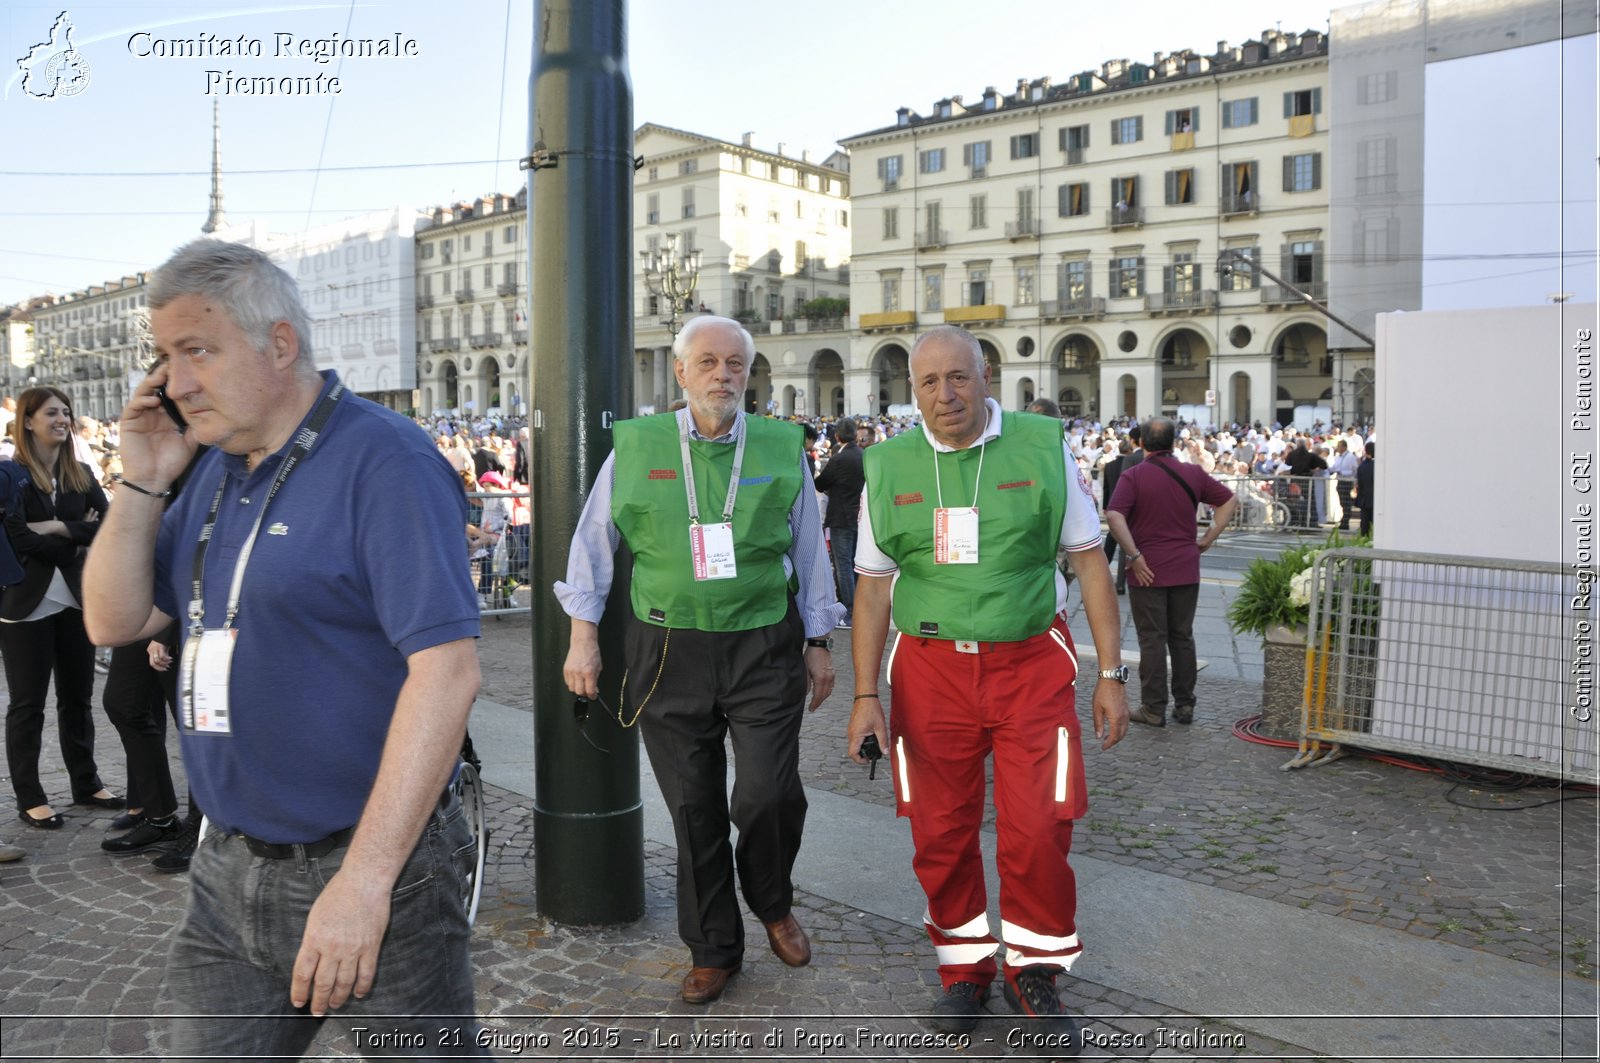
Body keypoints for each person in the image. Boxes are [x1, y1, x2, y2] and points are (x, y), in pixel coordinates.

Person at [82, 239, 486, 1057]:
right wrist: (143, 479)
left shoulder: (386, 460)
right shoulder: (204, 467)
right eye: (165, 356)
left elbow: (447, 672)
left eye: (197, 350)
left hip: (377, 867)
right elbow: (114, 621)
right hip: (227, 862)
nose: (176, 381)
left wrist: (365, 883)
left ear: (279, 343)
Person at [847, 325, 1130, 1046]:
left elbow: (1090, 562)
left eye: (959, 377)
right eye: (929, 382)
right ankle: (964, 968)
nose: (946, 395)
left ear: (987, 375)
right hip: (929, 671)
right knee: (940, 832)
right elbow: (874, 590)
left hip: (1030, 665)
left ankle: (1033, 971)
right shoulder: (885, 465)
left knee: (1039, 830)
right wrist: (864, 697)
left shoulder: (1041, 445)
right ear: (911, 391)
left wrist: (1111, 672)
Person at [556, 314, 841, 1005]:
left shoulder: (781, 445)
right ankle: (714, 946)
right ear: (680, 372)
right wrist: (582, 636)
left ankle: (770, 898)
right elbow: (593, 543)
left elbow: (808, 548)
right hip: (666, 648)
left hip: (762, 643)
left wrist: (818, 640)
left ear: (750, 373)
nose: (723, 375)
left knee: (768, 792)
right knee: (693, 808)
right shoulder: (635, 446)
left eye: (736, 364)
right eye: (708, 362)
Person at [3, 387, 120, 830]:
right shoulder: (9, 475)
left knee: (78, 698)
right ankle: (30, 797)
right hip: (25, 604)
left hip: (75, 598)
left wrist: (54, 526)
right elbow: (14, 536)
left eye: (67, 412)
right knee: (27, 704)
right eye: (52, 412)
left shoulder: (80, 473)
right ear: (28, 421)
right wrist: (74, 538)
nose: (62, 418)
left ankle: (86, 783)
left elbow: (106, 524)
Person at [1106, 416, 1238, 727]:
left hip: (1147, 569)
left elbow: (1114, 515)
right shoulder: (1191, 472)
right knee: (1183, 638)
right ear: (1173, 442)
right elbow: (1229, 500)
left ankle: (1153, 709)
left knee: (1152, 639)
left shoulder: (1134, 475)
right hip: (1185, 566)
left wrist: (1134, 555)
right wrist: (1208, 537)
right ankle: (1185, 704)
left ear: (1142, 443)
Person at [813, 416, 864, 629]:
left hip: (840, 516)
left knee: (843, 565)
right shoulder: (863, 455)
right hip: (858, 516)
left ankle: (849, 611)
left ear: (837, 435)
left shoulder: (838, 459)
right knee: (855, 564)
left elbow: (820, 482)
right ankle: (858, 609)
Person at [1354, 442, 1375, 536]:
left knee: (1365, 523)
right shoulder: (1376, 466)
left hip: (1364, 498)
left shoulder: (1362, 466)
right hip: (1373, 498)